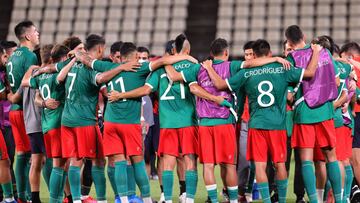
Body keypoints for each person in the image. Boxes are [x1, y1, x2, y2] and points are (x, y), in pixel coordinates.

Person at [201, 39, 320, 203]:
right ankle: (283, 200)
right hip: (278, 125)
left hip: (256, 125)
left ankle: (266, 200)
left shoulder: (246, 73)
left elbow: (220, 84)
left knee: (260, 166)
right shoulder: (283, 68)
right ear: (269, 54)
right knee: (280, 165)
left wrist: (208, 68)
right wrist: (316, 52)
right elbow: (310, 73)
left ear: (255, 56)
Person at [285, 25, 342, 203]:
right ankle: (339, 200)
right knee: (331, 157)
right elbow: (337, 80)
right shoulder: (324, 52)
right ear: (303, 36)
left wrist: (292, 95)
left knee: (307, 160)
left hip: (304, 113)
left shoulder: (292, 57)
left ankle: (314, 201)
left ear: (289, 41)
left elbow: (288, 95)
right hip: (325, 110)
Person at [6, 20, 39, 203]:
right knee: (30, 155)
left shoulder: (12, 56)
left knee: (21, 153)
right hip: (25, 110)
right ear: (27, 35)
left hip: (13, 111)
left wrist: (13, 97)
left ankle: (21, 196)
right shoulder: (30, 56)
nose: (37, 34)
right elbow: (28, 84)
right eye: (35, 31)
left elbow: (12, 85)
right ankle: (26, 195)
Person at [0, 45, 17, 203]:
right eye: (5, 56)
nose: (7, 59)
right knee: (5, 161)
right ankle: (9, 197)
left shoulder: (5, 73)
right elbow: (5, 95)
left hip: (7, 123)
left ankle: (12, 195)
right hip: (3, 123)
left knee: (8, 159)